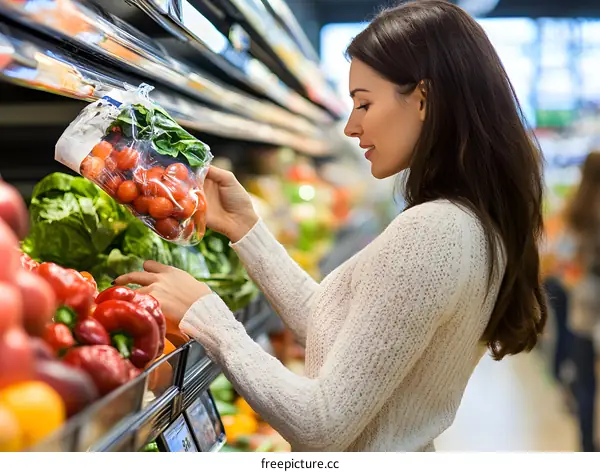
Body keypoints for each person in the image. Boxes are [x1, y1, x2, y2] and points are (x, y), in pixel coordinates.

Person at [116, 0, 548, 452]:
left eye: (364, 103)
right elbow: (339, 333)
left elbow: (321, 425)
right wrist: (248, 231)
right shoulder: (469, 222)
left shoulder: (433, 232)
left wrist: (207, 315)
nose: (350, 126)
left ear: (423, 99)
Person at [563, 150, 600, 452]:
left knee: (586, 382)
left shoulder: (579, 206)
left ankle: (586, 447)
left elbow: (568, 253)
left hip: (585, 296)